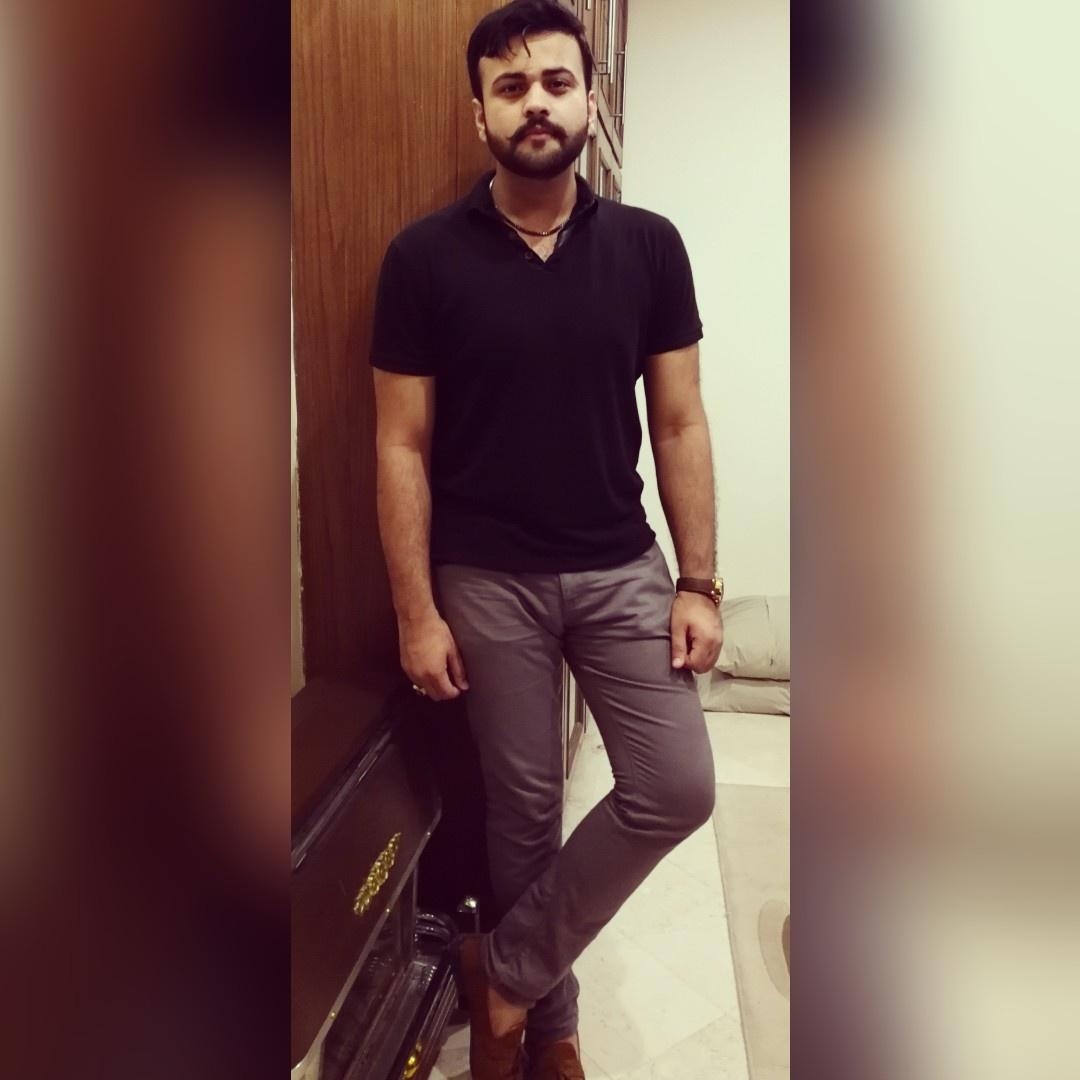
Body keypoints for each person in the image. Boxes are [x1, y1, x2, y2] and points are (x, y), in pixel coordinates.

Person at [370, 2, 722, 1077]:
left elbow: (680, 421)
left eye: (557, 83)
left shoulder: (650, 246)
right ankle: (549, 1030)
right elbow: (399, 445)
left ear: (589, 98)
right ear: (476, 111)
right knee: (520, 818)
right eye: (512, 86)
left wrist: (700, 581)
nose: (537, 104)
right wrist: (416, 611)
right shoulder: (422, 258)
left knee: (676, 785)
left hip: (621, 565)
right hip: (486, 579)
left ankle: (506, 975)